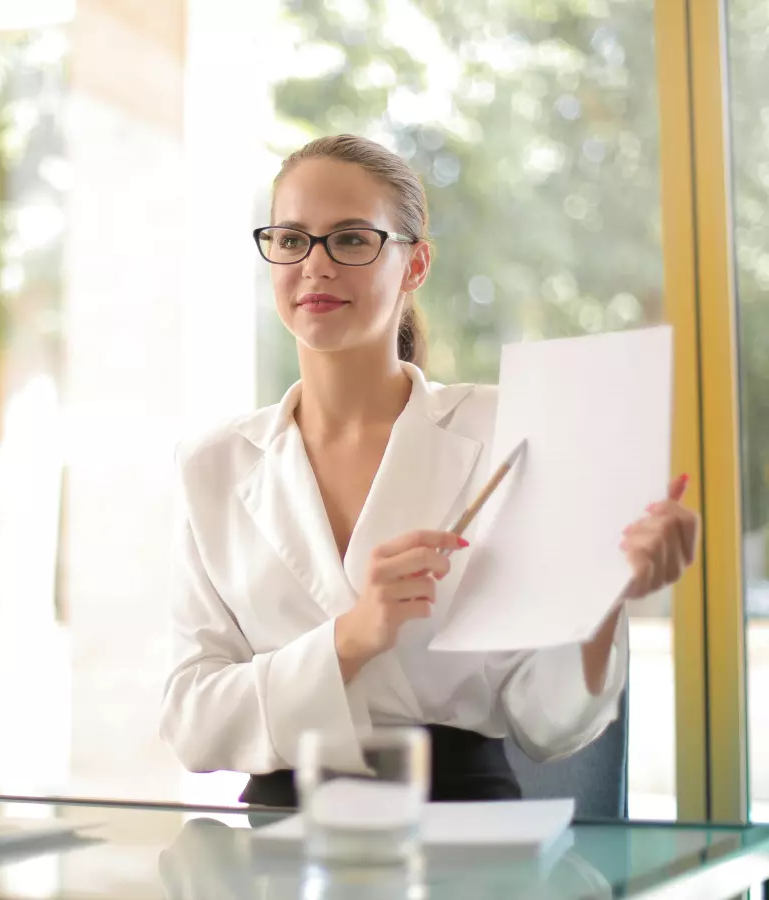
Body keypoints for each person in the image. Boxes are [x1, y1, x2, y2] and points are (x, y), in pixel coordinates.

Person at [158, 134, 699, 807]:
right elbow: (193, 719)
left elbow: (548, 722)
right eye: (292, 239)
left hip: (463, 823)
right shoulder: (213, 464)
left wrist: (607, 590)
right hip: (276, 839)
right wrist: (353, 638)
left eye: (352, 240)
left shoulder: (511, 436)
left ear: (415, 265)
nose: (315, 266)